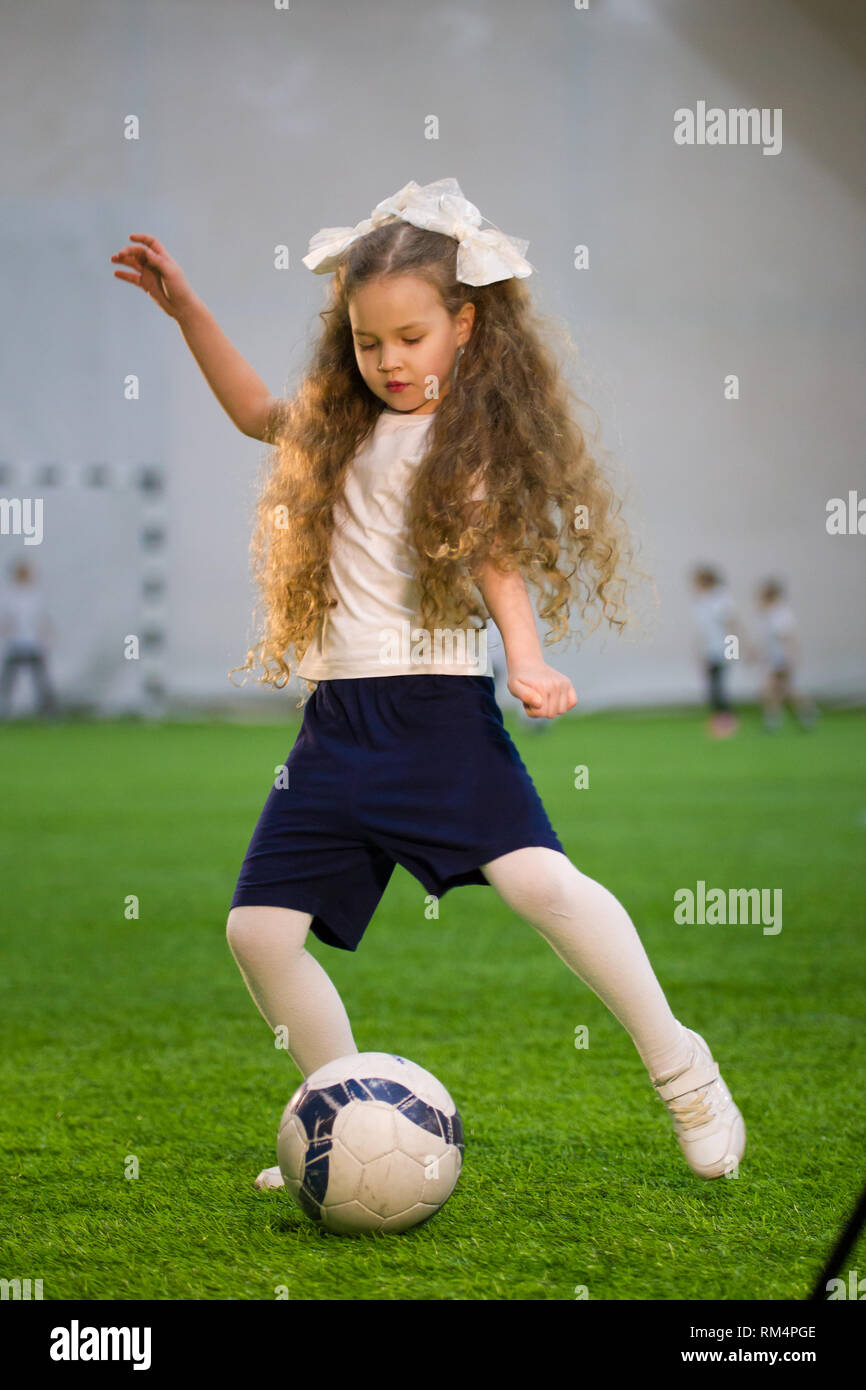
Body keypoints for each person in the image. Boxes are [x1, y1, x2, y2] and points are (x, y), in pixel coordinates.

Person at [111, 176, 745, 1188]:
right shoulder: (333, 426)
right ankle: (338, 1117)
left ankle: (685, 1073)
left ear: (461, 324)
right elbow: (247, 412)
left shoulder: (467, 442)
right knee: (257, 932)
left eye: (410, 337)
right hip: (336, 723)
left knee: (541, 882)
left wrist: (526, 659)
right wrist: (186, 307)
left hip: (437, 710)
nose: (389, 361)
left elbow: (493, 559)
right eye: (368, 342)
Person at [754, 579, 818, 731]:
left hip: (781, 659)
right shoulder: (770, 615)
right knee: (782, 690)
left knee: (775, 689)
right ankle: (803, 714)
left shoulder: (780, 615)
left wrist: (791, 658)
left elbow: (786, 638)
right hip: (775, 658)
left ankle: (777, 720)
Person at [0, 561, 58, 720]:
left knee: (41, 681)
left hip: (33, 645)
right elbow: (6, 619)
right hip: (16, 644)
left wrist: (47, 637)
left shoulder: (35, 595)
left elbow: (43, 619)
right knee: (7, 681)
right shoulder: (10, 596)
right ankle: (4, 710)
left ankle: (49, 713)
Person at [690, 567, 741, 738]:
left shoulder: (721, 599)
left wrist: (733, 650)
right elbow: (704, 630)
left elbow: (731, 624)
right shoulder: (705, 601)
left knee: (718, 686)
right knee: (712, 686)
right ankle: (720, 722)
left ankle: (727, 723)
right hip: (711, 649)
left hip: (722, 648)